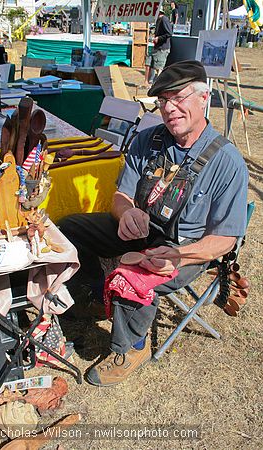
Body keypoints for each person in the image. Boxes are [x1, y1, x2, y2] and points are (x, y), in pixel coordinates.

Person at [59, 60, 248, 387]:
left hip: (185, 248)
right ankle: (90, 295)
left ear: (204, 98)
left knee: (132, 275)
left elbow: (224, 240)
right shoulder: (148, 140)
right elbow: (122, 195)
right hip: (140, 233)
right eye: (163, 101)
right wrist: (126, 213)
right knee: (69, 227)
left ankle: (131, 347)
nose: (169, 109)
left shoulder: (226, 161)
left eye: (179, 98)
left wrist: (177, 256)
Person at [144, 8, 172, 86]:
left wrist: (158, 38)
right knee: (153, 66)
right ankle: (151, 83)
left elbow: (169, 33)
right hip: (158, 47)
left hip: (162, 48)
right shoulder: (159, 20)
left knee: (159, 68)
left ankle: (157, 85)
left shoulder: (164, 20)